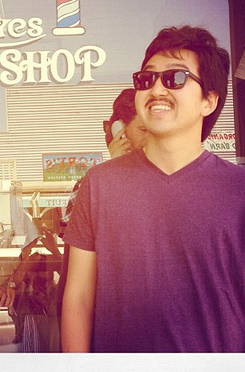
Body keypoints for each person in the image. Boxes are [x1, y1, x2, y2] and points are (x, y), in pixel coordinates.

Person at [61, 26, 245, 353]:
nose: (156, 89)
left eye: (175, 78)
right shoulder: (98, 184)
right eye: (146, 79)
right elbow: (78, 300)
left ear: (208, 101)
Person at [56, 88, 147, 324]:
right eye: (143, 130)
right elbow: (76, 237)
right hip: (107, 310)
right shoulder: (92, 183)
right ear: (120, 131)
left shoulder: (160, 177)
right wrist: (115, 170)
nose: (151, 138)